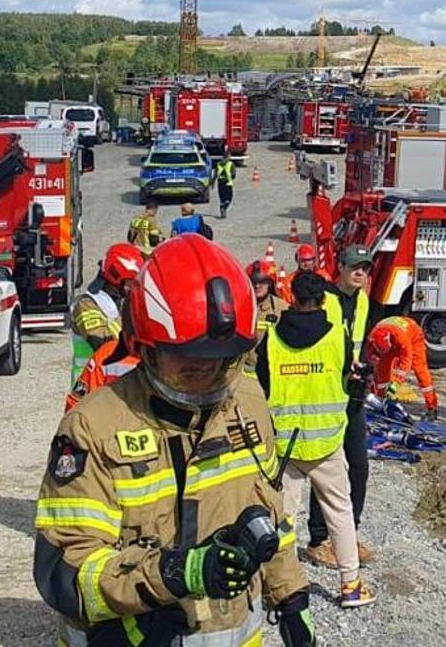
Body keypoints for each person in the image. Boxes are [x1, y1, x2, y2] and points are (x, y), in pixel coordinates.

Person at [33, 234, 317, 646]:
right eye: (185, 362)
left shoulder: (248, 403)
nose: (204, 374)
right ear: (143, 346)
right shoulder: (93, 428)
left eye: (220, 363)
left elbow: (270, 516)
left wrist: (291, 597)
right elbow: (65, 571)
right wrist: (172, 574)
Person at [255, 272, 375, 608]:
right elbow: (348, 381)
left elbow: (263, 385)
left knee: (283, 517)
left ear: (291, 297)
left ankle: (279, 586)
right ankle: (350, 585)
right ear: (324, 300)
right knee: (339, 511)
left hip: (286, 445)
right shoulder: (338, 335)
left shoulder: (273, 338)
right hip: (326, 442)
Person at [309, 243, 375, 566]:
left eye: (365, 268)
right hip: (326, 393)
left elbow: (357, 342)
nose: (361, 272)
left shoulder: (362, 301)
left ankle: (349, 532)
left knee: (359, 467)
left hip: (352, 393)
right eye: (355, 267)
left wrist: (363, 366)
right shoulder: (325, 299)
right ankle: (319, 539)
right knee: (323, 467)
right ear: (342, 267)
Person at [69, 242, 143, 382]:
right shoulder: (87, 305)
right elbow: (101, 343)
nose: (135, 287)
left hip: (116, 381)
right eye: (131, 282)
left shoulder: (124, 302)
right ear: (116, 278)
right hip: (91, 383)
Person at [367, 315, 440, 421]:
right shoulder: (372, 336)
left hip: (414, 338)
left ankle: (432, 408)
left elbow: (406, 361)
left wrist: (396, 383)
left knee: (420, 371)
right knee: (382, 372)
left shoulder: (401, 337)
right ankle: (381, 404)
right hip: (391, 341)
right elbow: (370, 356)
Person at [242, 259, 290, 374]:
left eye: (262, 282)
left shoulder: (280, 308)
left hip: (270, 371)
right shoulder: (240, 306)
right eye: (254, 282)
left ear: (270, 283)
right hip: (243, 371)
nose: (257, 286)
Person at [215, 153, 237, 219]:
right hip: (228, 184)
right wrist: (229, 178)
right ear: (228, 157)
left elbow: (215, 174)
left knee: (222, 198)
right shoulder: (231, 164)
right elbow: (233, 174)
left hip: (220, 184)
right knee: (229, 198)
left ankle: (222, 208)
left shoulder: (218, 164)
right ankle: (224, 208)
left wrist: (212, 182)